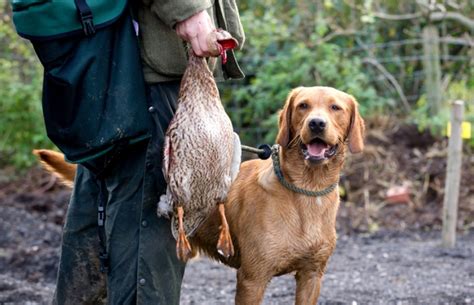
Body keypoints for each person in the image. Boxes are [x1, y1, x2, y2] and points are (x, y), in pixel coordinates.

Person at [52, 1, 244, 304]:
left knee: (95, 223)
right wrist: (187, 9)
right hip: (150, 79)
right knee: (147, 241)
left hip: (128, 73)